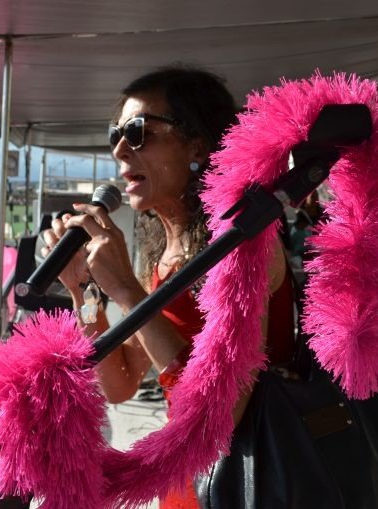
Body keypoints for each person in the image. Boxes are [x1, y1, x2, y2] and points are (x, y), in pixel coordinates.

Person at [43, 66, 292, 508]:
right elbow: (118, 384)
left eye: (138, 132)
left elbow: (223, 416)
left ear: (197, 144)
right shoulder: (164, 254)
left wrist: (126, 289)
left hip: (247, 481)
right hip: (191, 482)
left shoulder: (244, 244)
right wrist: (83, 289)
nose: (120, 149)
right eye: (114, 133)